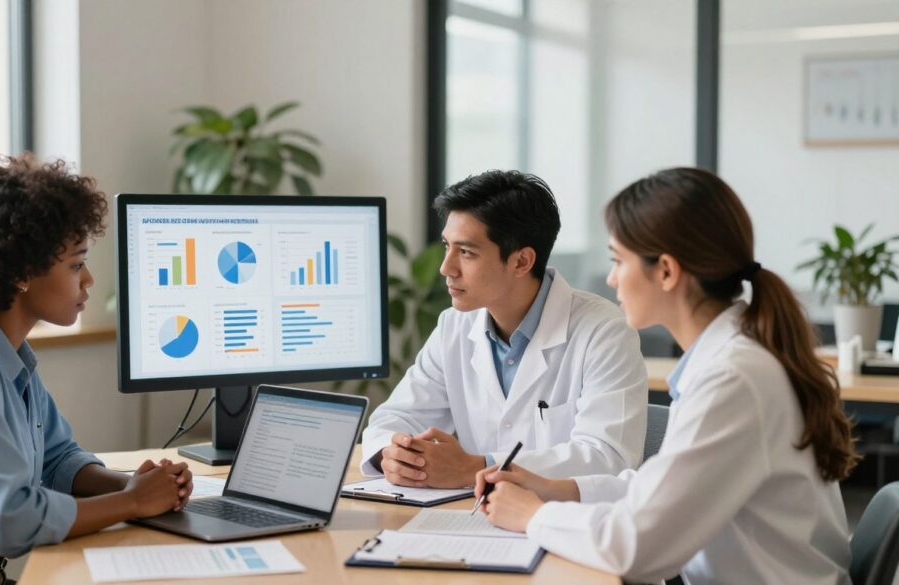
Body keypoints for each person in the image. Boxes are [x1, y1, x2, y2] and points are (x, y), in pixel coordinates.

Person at [475, 167, 858, 584]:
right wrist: (555, 488)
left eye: (618, 260)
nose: (611, 278)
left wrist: (533, 515)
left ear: (667, 271)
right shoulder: (732, 360)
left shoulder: (735, 379)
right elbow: (664, 495)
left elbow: (638, 548)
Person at [0, 156, 193, 584]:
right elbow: (7, 521)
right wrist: (133, 503)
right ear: (24, 273)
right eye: (76, 265)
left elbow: (59, 460)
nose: (89, 281)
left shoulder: (6, 354)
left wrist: (132, 485)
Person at [361, 170, 648, 488]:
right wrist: (395, 453)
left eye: (466, 252)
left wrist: (477, 467)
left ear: (522, 262)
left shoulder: (604, 332)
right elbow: (394, 419)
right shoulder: (453, 327)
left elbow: (608, 457)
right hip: (473, 518)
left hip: (558, 522)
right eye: (447, 246)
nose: (446, 268)